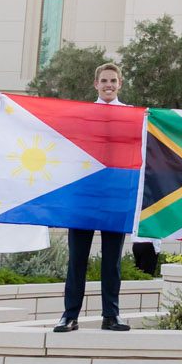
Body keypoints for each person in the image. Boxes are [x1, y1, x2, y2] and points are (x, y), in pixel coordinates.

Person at [54, 63, 131, 333]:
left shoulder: (133, 116)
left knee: (112, 261)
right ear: (95, 84)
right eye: (104, 81)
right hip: (83, 195)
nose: (109, 85)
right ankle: (69, 315)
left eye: (113, 80)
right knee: (77, 259)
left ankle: (111, 315)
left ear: (120, 84)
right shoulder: (82, 115)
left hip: (115, 197)